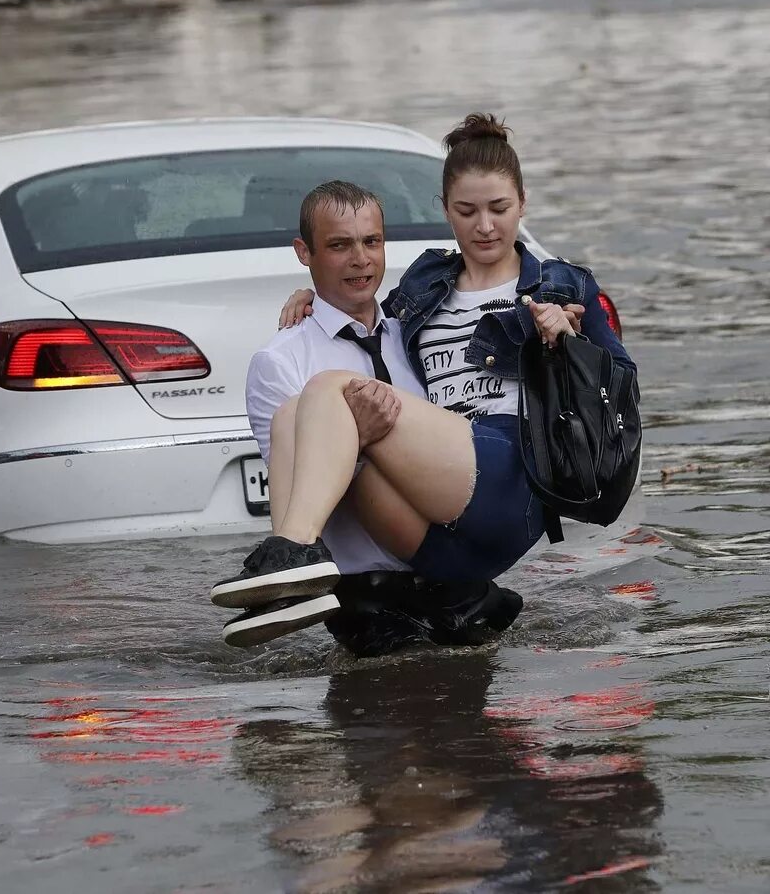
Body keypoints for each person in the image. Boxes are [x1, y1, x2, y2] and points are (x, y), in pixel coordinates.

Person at [212, 113, 635, 643]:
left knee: (331, 388)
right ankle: (288, 582)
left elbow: (621, 388)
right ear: (445, 214)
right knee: (294, 412)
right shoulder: (424, 289)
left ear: (522, 204)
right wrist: (312, 296)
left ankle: (291, 550)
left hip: (507, 474)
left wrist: (566, 343)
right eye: (467, 211)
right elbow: (363, 308)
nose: (485, 226)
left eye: (499, 209)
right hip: (440, 527)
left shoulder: (561, 283)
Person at [216, 179, 529, 650]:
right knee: (303, 412)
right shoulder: (280, 360)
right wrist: (354, 438)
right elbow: (298, 486)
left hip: (456, 583)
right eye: (339, 245)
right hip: (373, 604)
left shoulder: (416, 333)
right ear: (305, 252)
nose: (360, 259)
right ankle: (291, 570)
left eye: (371, 242)